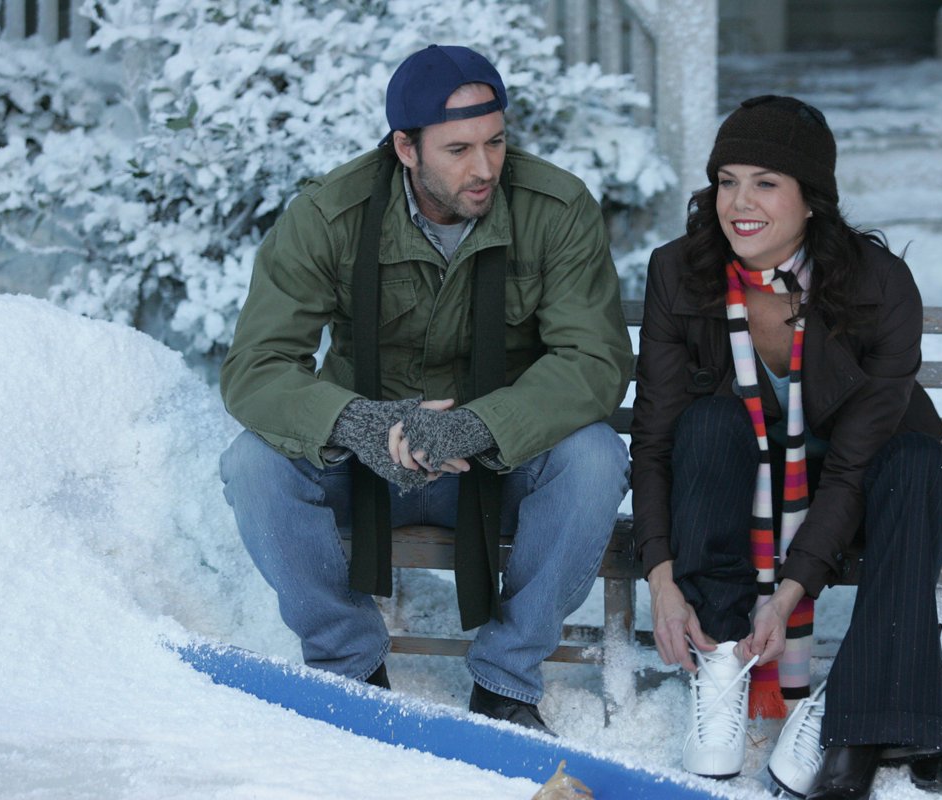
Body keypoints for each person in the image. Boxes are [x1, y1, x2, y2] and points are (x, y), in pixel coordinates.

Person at [218, 44, 633, 736]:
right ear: (405, 148)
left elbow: (593, 359)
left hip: (498, 460)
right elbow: (256, 367)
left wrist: (480, 425)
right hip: (367, 462)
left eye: (495, 141)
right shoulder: (330, 214)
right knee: (252, 464)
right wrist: (356, 424)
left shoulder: (555, 208)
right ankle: (349, 671)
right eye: (459, 149)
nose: (485, 167)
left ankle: (505, 684)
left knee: (595, 458)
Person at [630, 95, 942, 797]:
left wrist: (786, 596)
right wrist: (661, 580)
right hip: (738, 483)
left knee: (920, 465)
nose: (739, 203)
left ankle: (847, 704)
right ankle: (723, 662)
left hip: (859, 487)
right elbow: (656, 436)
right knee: (706, 423)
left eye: (766, 183)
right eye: (727, 181)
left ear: (812, 200)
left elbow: (853, 465)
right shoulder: (679, 271)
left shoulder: (879, 287)